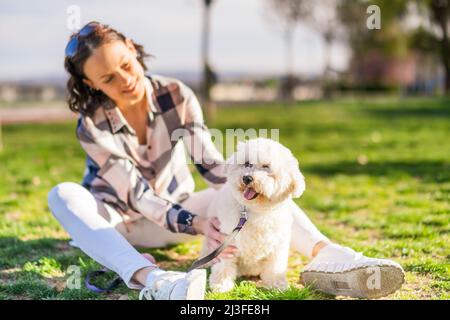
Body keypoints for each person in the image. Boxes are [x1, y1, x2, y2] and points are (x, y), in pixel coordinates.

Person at [48, 21, 405, 300]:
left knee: (255, 193)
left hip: (179, 215)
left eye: (126, 65)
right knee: (63, 195)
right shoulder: (91, 125)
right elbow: (137, 195)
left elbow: (216, 169)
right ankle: (156, 280)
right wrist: (198, 223)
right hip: (119, 225)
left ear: (131, 49)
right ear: (90, 84)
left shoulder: (175, 94)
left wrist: (254, 179)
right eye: (108, 78)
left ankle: (331, 256)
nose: (126, 80)